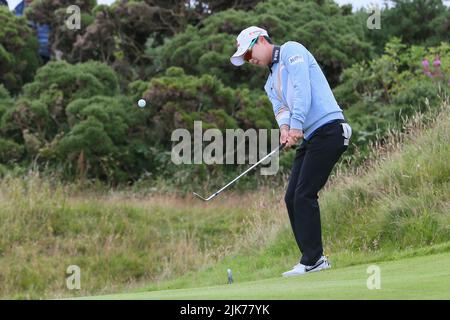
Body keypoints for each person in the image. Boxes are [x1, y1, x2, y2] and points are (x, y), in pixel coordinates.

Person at [230, 26, 352, 277]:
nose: (249, 59)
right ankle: (312, 259)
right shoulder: (268, 83)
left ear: (261, 40)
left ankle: (314, 259)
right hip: (310, 136)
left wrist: (296, 125)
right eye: (244, 57)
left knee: (304, 194)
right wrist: (286, 130)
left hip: (330, 129)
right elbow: (281, 110)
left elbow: (301, 89)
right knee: (292, 198)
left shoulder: (291, 51)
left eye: (249, 52)